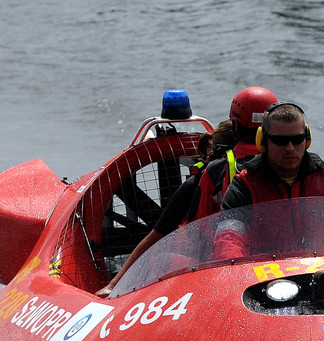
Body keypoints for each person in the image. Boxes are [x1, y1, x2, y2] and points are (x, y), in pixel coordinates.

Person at [95, 87, 275, 298]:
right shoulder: (294, 166)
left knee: (160, 258)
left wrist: (115, 284)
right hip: (280, 264)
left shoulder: (212, 172)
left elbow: (184, 233)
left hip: (223, 271)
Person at [212, 101, 324, 259]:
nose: (290, 148)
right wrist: (233, 271)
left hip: (320, 268)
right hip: (262, 274)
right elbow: (229, 238)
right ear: (263, 141)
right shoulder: (244, 184)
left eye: (298, 139)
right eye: (280, 141)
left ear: (307, 139)